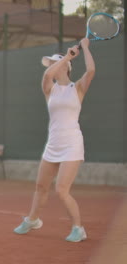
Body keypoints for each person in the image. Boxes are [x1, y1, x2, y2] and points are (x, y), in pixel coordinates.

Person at [13, 38, 95, 242]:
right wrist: (67, 56)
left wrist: (84, 48)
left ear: (65, 68)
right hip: (53, 144)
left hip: (72, 144)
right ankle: (33, 220)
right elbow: (47, 75)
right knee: (41, 187)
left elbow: (91, 70)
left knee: (61, 190)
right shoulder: (49, 89)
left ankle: (78, 228)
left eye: (54, 63)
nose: (51, 66)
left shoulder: (77, 88)